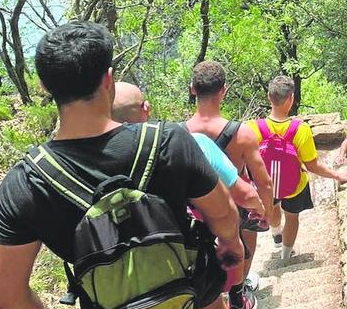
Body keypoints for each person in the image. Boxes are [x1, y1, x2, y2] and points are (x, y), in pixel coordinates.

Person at [0, 21, 247, 309]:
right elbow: (221, 209)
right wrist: (230, 242)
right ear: (109, 79)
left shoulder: (26, 182)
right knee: (207, 296)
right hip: (186, 271)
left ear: (45, 87)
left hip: (116, 298)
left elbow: (6, 294)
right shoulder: (167, 141)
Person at [186, 61, 276, 309]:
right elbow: (264, 181)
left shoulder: (180, 134)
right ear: (223, 91)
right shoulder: (242, 133)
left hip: (198, 209)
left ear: (193, 89)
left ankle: (212, 303)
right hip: (237, 205)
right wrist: (266, 212)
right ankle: (239, 293)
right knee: (243, 247)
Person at [248, 75, 347, 261]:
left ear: (269, 96)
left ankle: (276, 235)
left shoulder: (253, 128)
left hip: (265, 184)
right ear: (291, 99)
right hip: (295, 186)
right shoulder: (300, 129)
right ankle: (285, 256)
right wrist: (337, 175)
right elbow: (312, 165)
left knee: (274, 204)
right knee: (292, 218)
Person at [112, 82, 264, 216]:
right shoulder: (185, 142)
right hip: (174, 239)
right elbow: (246, 195)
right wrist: (261, 211)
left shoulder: (91, 158)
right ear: (146, 108)